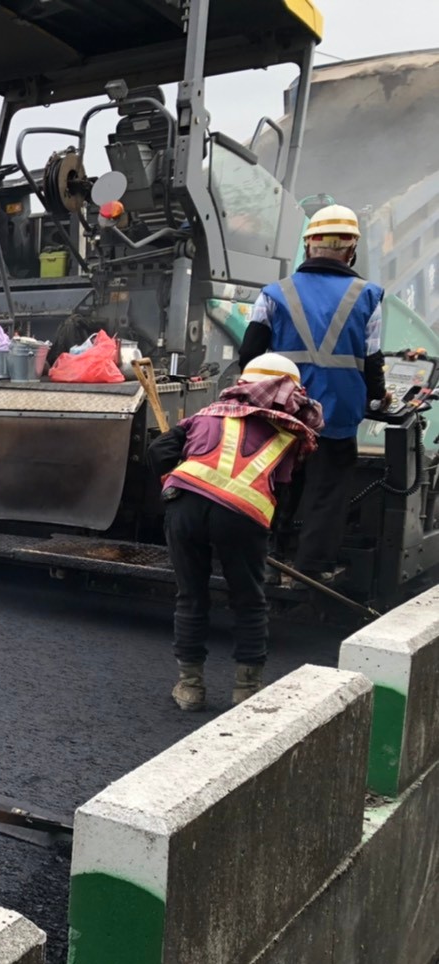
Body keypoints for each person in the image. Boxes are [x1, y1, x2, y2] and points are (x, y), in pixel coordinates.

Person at [148, 354, 324, 709]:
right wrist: (272, 536)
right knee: (248, 599)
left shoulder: (207, 413)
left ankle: (190, 689)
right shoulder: (290, 433)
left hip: (186, 505)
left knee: (191, 596)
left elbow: (159, 449)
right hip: (242, 516)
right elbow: (288, 496)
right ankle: (247, 690)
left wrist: (171, 481)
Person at [238, 204, 388, 585]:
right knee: (327, 491)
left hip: (282, 409)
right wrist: (378, 398)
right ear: (351, 248)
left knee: (276, 482)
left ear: (309, 246)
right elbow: (371, 359)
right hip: (337, 414)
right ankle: (311, 568)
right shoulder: (368, 296)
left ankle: (268, 559)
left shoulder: (273, 294)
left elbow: (249, 355)